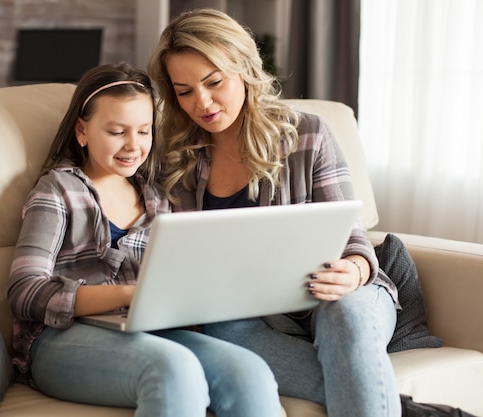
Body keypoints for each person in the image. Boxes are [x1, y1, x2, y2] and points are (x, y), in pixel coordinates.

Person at [147, 9, 401, 417]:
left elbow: (351, 235)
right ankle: (394, 401)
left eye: (214, 82)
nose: (203, 103)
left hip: (334, 294)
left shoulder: (307, 133)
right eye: (184, 91)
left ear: (245, 70)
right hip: (244, 313)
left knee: (346, 313)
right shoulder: (175, 157)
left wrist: (354, 269)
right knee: (219, 331)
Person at [7, 63, 281, 417]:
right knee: (173, 370)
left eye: (144, 131)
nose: (133, 146)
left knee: (249, 372)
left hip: (147, 332)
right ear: (82, 131)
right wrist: (127, 294)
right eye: (117, 131)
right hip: (59, 339)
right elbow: (23, 292)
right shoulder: (58, 191)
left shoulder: (160, 199)